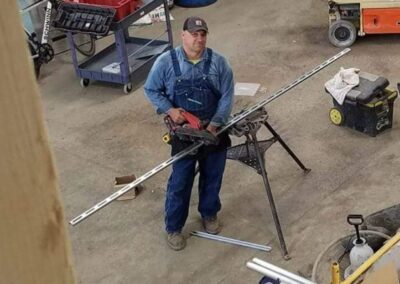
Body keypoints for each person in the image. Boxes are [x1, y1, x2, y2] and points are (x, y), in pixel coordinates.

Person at [144, 16, 234, 251]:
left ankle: (209, 214)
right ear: (183, 35)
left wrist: (215, 125)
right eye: (194, 34)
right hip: (184, 134)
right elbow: (151, 89)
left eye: (203, 34)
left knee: (212, 176)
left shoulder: (219, 63)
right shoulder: (166, 62)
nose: (199, 39)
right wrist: (170, 109)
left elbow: (227, 96)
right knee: (180, 182)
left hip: (213, 131)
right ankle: (174, 227)